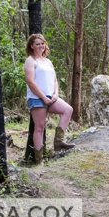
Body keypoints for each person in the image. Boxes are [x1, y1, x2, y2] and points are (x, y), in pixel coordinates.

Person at [24, 33, 75, 165]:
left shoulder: (48, 61)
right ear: (32, 46)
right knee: (39, 128)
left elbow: (55, 80)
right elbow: (30, 82)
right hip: (36, 98)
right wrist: (43, 98)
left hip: (50, 96)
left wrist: (55, 94)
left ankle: (59, 142)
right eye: (37, 44)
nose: (41, 46)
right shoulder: (30, 60)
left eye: (42, 43)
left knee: (68, 110)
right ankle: (39, 160)